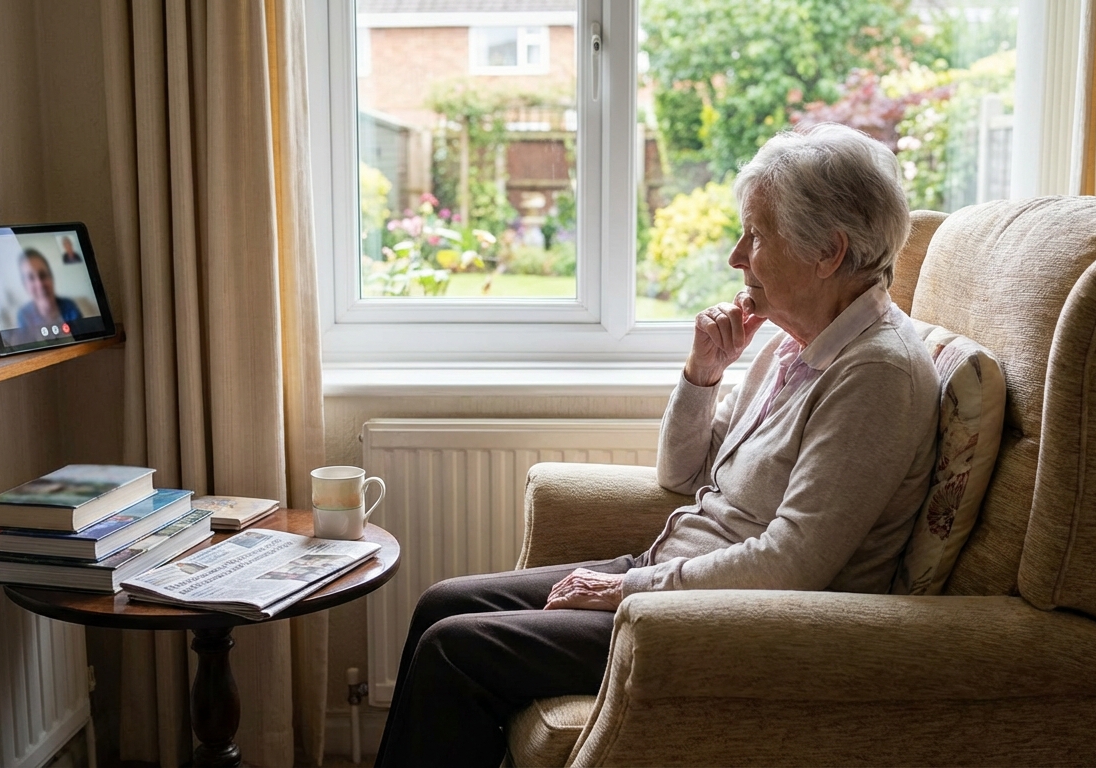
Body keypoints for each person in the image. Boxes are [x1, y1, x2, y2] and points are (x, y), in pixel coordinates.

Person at [374, 123, 941, 768]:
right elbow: (680, 473)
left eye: (756, 235)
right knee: (442, 603)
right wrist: (704, 373)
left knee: (458, 650)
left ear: (829, 252)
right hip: (671, 578)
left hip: (723, 626)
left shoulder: (877, 374)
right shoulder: (794, 345)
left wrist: (628, 588)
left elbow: (793, 562)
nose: (736, 256)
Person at [14, 249, 83, 341]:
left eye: (43, 275)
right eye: (31, 278)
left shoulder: (70, 307)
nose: (40, 284)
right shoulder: (24, 315)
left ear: (51, 277)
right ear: (25, 286)